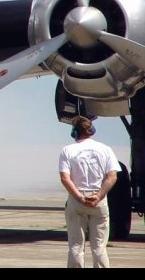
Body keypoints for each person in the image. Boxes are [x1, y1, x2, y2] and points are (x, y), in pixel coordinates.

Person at [58, 115, 121, 268]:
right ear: (92, 130)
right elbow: (112, 176)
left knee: (76, 246)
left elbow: (65, 178)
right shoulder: (105, 149)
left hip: (77, 199)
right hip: (98, 199)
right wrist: (99, 196)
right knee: (99, 247)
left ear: (74, 132)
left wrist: (80, 197)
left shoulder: (67, 150)